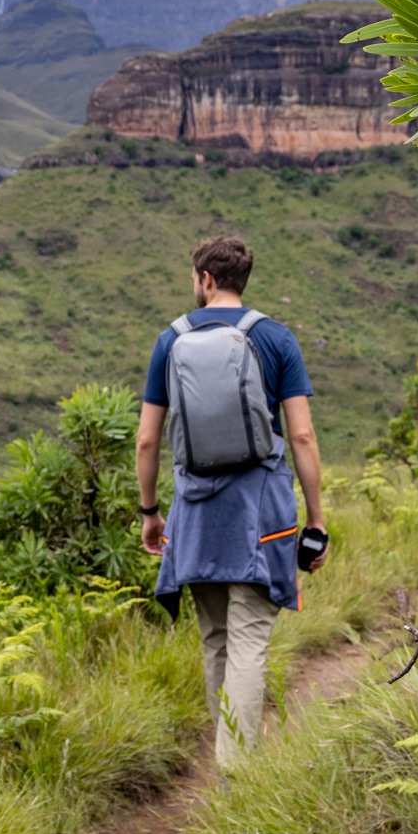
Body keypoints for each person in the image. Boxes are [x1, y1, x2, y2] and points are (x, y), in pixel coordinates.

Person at [137, 235, 325, 766]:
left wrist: (151, 513)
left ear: (205, 279)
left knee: (216, 639)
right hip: (261, 515)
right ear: (241, 279)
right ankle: (235, 773)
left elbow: (148, 440)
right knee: (249, 643)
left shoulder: (169, 341)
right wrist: (316, 519)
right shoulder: (275, 338)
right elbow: (303, 436)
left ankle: (229, 762)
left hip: (194, 515)